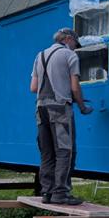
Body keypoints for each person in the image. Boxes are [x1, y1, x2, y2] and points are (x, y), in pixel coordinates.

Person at [30, 28, 92, 205]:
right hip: (59, 109)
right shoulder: (69, 55)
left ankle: (47, 193)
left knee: (47, 153)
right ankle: (61, 193)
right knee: (65, 151)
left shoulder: (40, 55)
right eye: (75, 44)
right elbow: (75, 88)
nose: (75, 47)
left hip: (41, 109)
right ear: (68, 39)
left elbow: (33, 87)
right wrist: (82, 107)